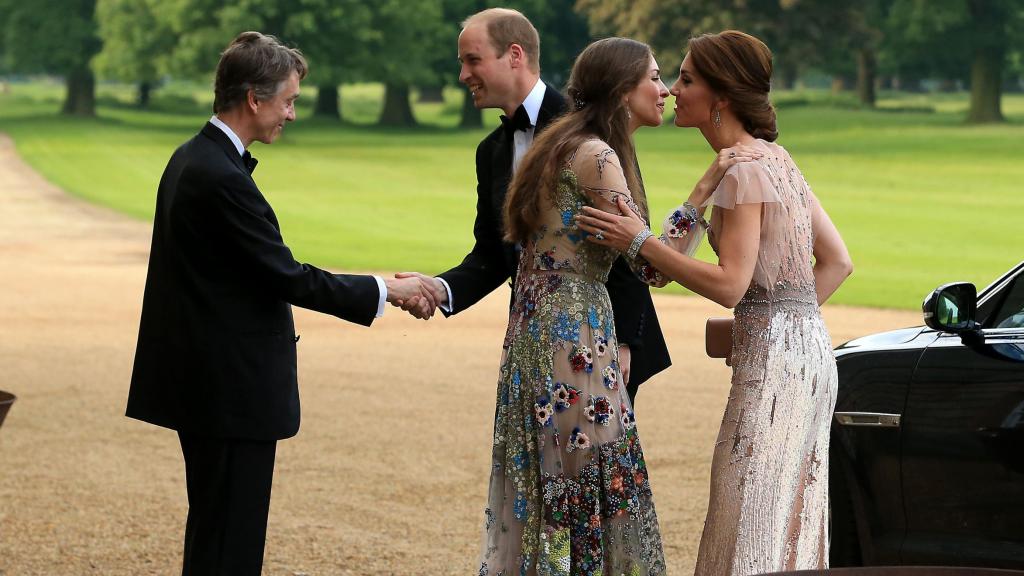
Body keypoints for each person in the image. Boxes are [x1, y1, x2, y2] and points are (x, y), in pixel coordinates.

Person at [126, 32, 434, 575]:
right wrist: (389, 289)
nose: (291, 114)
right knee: (230, 544)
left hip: (208, 386)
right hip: (228, 392)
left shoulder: (193, 158)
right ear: (254, 98)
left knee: (215, 532)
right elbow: (287, 276)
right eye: (288, 100)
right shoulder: (218, 176)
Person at [576, 30, 853, 575]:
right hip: (808, 355)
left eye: (686, 79)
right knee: (787, 516)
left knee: (747, 509)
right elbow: (837, 262)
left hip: (775, 368)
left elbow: (729, 284)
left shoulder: (747, 171)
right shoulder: (772, 159)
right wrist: (694, 200)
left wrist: (638, 240)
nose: (674, 90)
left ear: (720, 97)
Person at [473, 36, 681, 576]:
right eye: (654, 78)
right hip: (574, 337)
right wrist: (703, 199)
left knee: (552, 483)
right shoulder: (598, 156)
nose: (665, 90)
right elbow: (654, 266)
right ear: (621, 89)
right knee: (592, 482)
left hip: (535, 331)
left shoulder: (560, 145)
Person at [397, 7, 670, 401]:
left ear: (514, 55)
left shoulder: (587, 128)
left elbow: (625, 233)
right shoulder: (490, 151)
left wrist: (625, 340)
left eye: (473, 60)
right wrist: (438, 289)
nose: (463, 76)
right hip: (532, 333)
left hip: (602, 337)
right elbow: (493, 253)